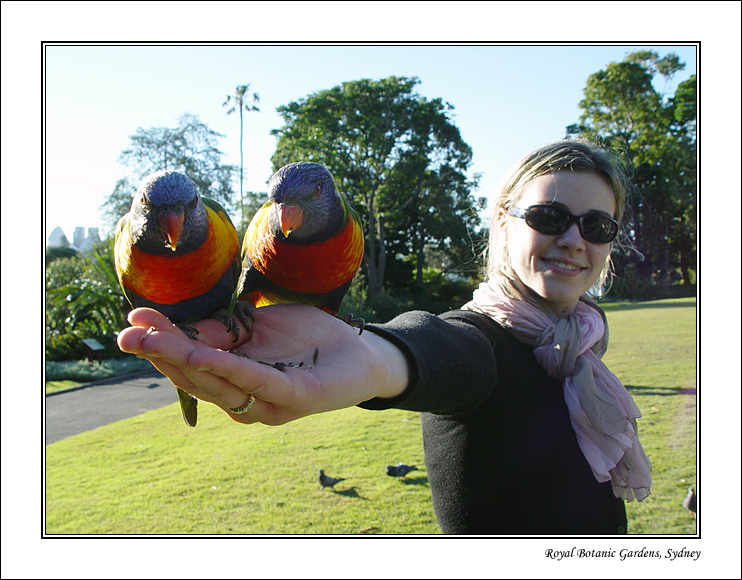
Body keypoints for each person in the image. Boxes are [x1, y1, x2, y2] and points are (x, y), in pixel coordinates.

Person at [118, 139, 652, 535]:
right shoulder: (480, 343)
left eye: (597, 226)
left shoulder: (581, 345)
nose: (573, 239)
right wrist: (375, 357)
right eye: (549, 216)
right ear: (504, 223)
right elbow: (443, 350)